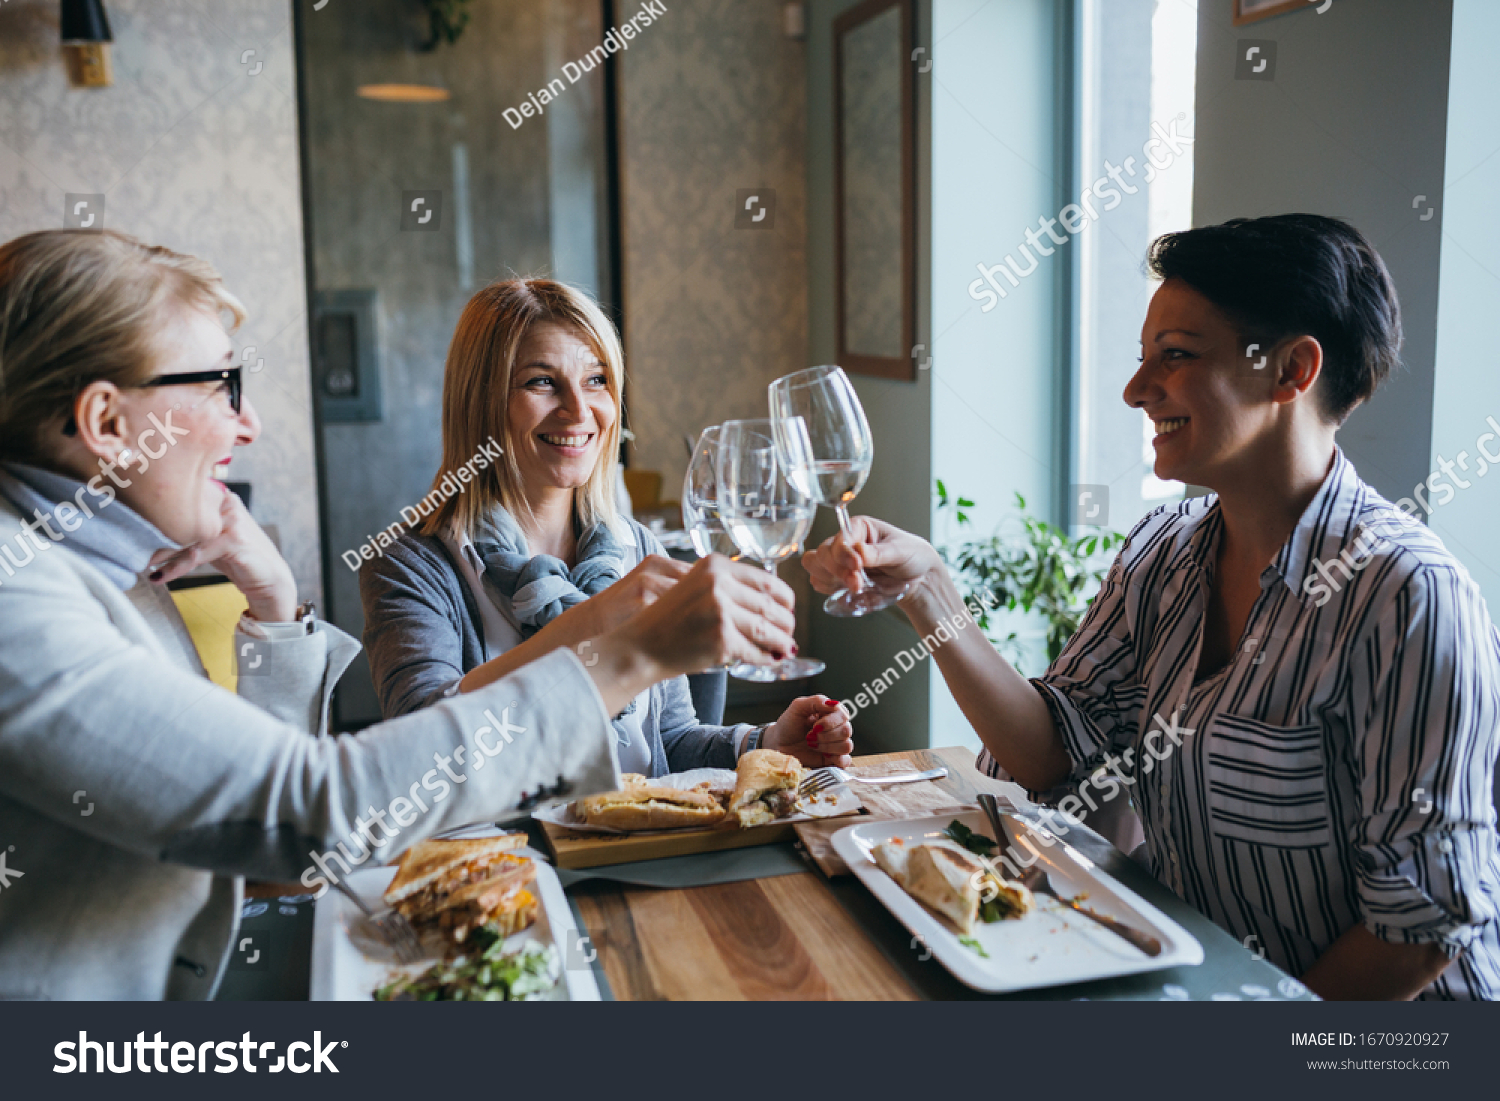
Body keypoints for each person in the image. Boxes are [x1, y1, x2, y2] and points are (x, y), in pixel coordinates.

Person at [0, 229, 797, 1000]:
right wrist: (625, 656)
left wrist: (276, 605)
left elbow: (261, 845)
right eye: (219, 386)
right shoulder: (20, 600)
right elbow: (308, 815)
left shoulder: (106, 567)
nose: (249, 424)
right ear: (106, 422)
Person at [804, 215, 1500, 1000]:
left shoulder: (1408, 598)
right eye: (1143, 359)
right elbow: (1053, 751)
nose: (1137, 390)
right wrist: (929, 592)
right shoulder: (1162, 552)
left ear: (1292, 369)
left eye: (1176, 355)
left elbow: (1421, 929)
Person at [360, 278, 852, 773]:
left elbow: (669, 744)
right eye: (542, 382)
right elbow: (418, 753)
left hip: (633, 849)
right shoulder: (410, 565)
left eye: (596, 380)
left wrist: (762, 744)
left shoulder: (634, 545)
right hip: (509, 851)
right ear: (479, 401)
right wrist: (597, 622)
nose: (579, 411)